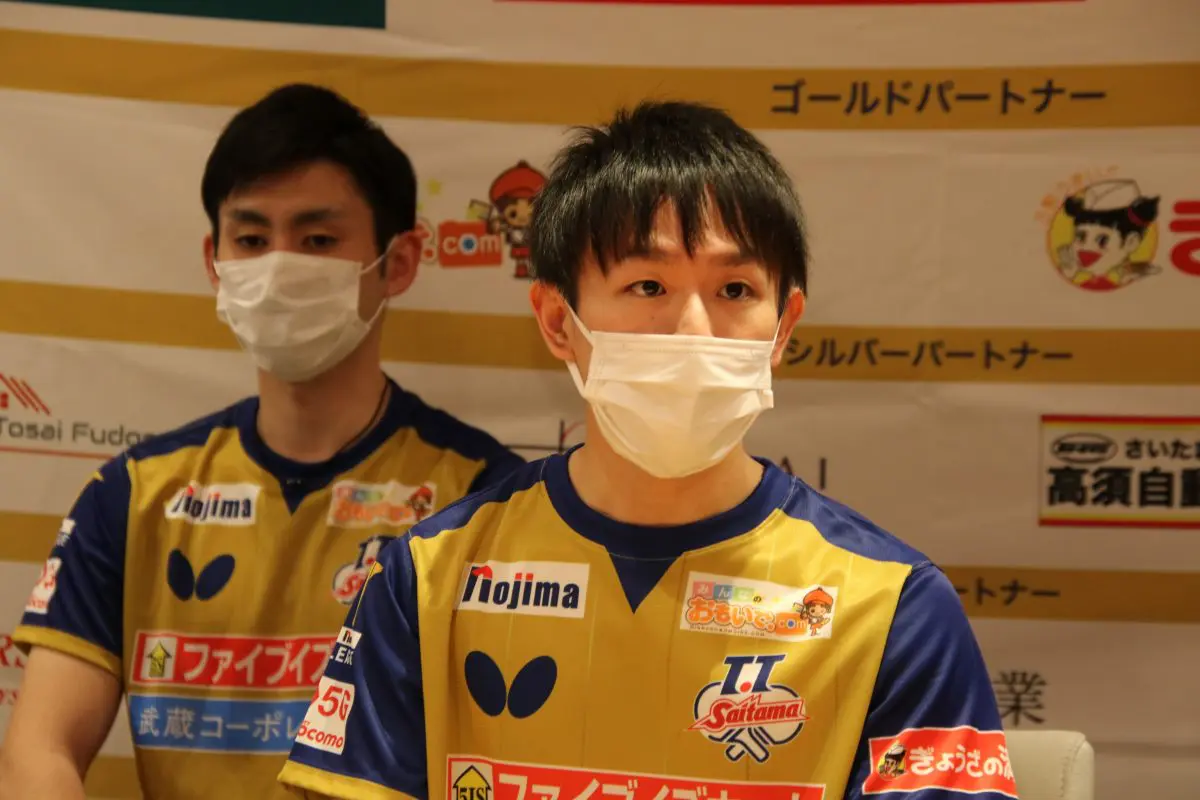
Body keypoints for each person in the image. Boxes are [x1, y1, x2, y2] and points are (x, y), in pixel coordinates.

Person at [275, 101, 1018, 800]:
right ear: (558, 320)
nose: (693, 327)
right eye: (648, 285)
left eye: (734, 290)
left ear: (783, 326)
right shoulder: (428, 579)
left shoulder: (892, 606)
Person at [0, 84, 524, 800]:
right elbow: (39, 751)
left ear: (399, 262)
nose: (279, 266)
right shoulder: (134, 494)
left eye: (318, 240)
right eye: (251, 240)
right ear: (215, 262)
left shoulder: (482, 498)